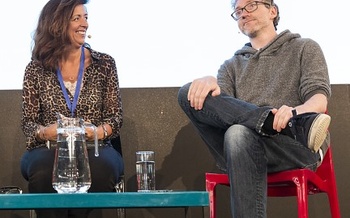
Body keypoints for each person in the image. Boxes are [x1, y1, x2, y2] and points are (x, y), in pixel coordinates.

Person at [177, 0, 331, 217]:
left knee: (238, 133)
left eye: (250, 5)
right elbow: (224, 111)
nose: (243, 13)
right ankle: (270, 121)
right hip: (240, 149)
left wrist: (295, 113)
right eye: (238, 11)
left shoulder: (304, 47)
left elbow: (319, 100)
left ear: (272, 11)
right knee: (188, 92)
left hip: (295, 146)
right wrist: (208, 81)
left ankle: (293, 125)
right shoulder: (230, 66)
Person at [20, 0, 124, 217]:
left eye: (86, 17)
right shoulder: (36, 69)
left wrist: (96, 132)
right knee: (42, 172)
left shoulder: (104, 64)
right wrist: (45, 131)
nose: (84, 24)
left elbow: (115, 118)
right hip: (49, 148)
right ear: (57, 24)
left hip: (95, 148)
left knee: (100, 170)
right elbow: (28, 123)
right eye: (76, 18)